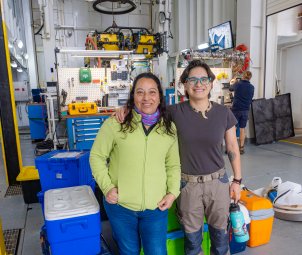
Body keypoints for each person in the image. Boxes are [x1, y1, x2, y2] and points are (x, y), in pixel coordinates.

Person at [116, 60, 242, 255]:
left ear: (210, 83)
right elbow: (146, 109)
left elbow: (233, 147)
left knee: (221, 239)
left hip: (218, 183)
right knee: (192, 242)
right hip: (188, 186)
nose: (198, 84)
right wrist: (126, 110)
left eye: (203, 79)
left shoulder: (223, 113)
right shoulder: (173, 112)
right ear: (184, 84)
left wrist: (237, 180)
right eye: (192, 79)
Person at [90, 72, 181, 255]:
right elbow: (96, 156)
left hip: (156, 207)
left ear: (159, 96)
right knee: (129, 251)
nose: (146, 98)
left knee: (156, 252)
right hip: (120, 208)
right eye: (140, 92)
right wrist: (107, 187)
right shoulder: (117, 123)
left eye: (152, 92)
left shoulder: (169, 128)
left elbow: (173, 165)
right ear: (133, 96)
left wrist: (172, 193)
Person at [229, 71, 254, 154]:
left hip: (236, 109)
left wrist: (233, 82)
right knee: (242, 128)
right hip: (245, 110)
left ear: (243, 76)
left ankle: (232, 147)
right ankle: (241, 148)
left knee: (233, 128)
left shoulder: (238, 84)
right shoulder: (251, 87)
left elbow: (230, 89)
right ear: (250, 77)